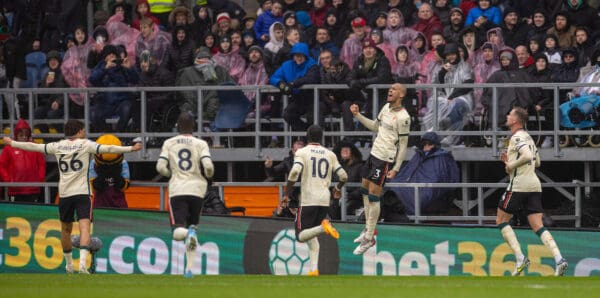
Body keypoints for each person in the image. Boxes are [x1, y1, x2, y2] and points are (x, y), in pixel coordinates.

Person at [2, 119, 142, 274]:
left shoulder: (57, 146)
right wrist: (131, 148)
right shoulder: (85, 144)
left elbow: (34, 146)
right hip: (83, 193)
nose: (84, 133)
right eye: (83, 130)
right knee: (84, 228)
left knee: (65, 230)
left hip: (65, 194)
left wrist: (13, 143)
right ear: (80, 131)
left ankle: (69, 266)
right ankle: (82, 265)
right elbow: (108, 148)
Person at [497, 107, 568, 277]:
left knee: (501, 220)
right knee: (537, 225)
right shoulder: (528, 136)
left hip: (519, 185)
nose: (507, 116)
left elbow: (528, 156)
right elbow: (537, 162)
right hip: (534, 185)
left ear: (515, 121)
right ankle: (559, 259)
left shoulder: (517, 137)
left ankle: (521, 258)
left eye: (510, 114)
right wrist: (510, 163)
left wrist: (511, 165)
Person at [349, 83, 410, 255]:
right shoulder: (385, 107)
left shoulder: (404, 117)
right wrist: (357, 115)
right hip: (373, 154)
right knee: (364, 191)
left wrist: (396, 168)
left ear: (402, 95)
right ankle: (368, 230)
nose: (391, 90)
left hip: (384, 159)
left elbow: (404, 145)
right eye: (390, 88)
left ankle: (369, 237)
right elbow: (375, 127)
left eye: (395, 89)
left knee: (374, 197)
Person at [156, 112, 214, 278]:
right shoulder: (201, 143)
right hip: (197, 190)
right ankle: (189, 269)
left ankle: (188, 234)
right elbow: (208, 166)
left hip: (178, 189)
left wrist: (171, 173)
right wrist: (208, 176)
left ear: (178, 126)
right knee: (193, 228)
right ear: (194, 126)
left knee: (177, 232)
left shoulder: (169, 143)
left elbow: (160, 167)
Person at [283, 125, 347, 276]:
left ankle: (323, 227)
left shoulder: (302, 152)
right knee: (312, 238)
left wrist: (287, 192)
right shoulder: (330, 154)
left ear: (307, 136)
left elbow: (294, 173)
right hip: (324, 200)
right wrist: (337, 188)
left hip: (308, 200)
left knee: (300, 236)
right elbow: (344, 176)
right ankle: (313, 270)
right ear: (321, 137)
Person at [0, 119, 46, 203]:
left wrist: (39, 179)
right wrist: (8, 180)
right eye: (21, 135)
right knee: (15, 214)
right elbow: (2, 166)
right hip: (15, 189)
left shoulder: (35, 146)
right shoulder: (8, 148)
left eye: (26, 135)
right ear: (16, 134)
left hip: (33, 189)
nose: (24, 137)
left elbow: (41, 164)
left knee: (32, 213)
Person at [89, 134, 131, 208]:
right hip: (100, 205)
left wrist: (115, 173)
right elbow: (94, 188)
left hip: (119, 205)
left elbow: (124, 186)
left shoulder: (123, 163)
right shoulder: (93, 164)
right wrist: (104, 172)